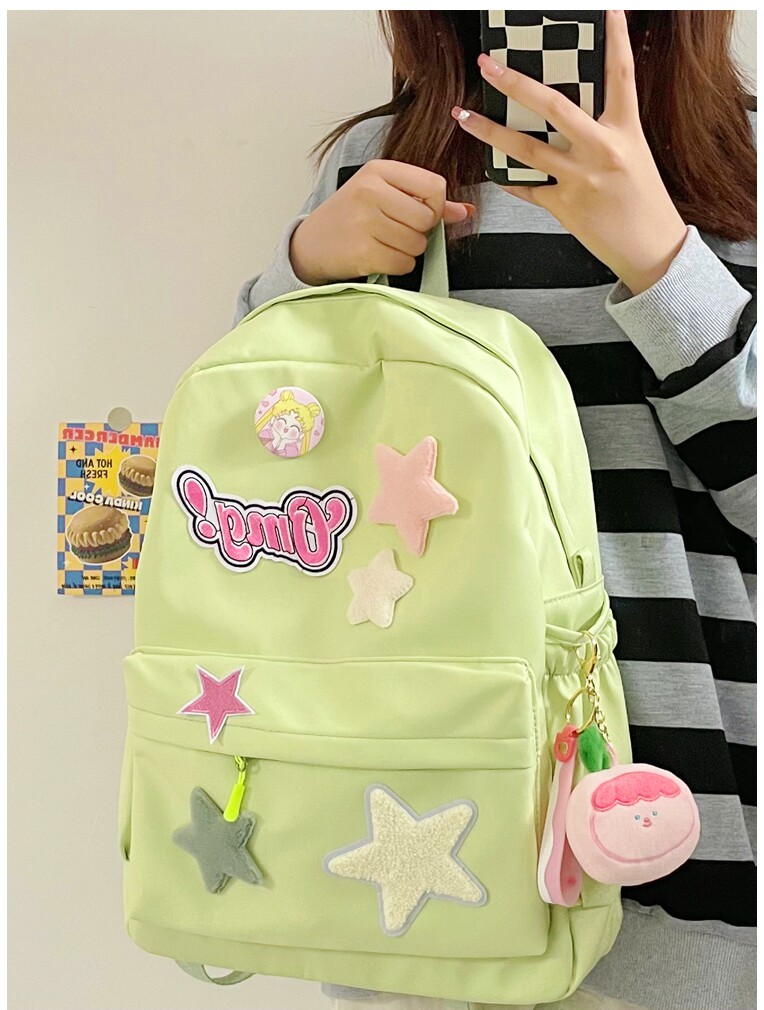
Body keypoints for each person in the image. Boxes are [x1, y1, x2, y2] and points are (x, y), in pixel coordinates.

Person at [234, 12, 756, 1010]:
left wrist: (663, 262)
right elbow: (269, 470)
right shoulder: (384, 158)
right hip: (415, 818)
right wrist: (302, 272)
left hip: (684, 815)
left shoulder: (743, 162)